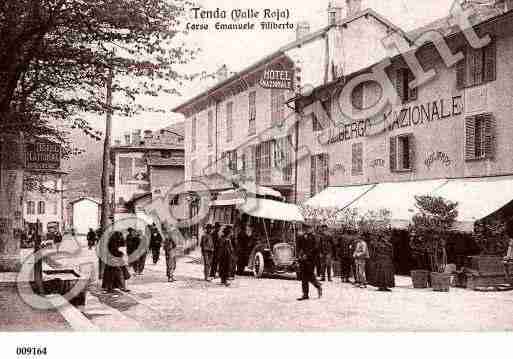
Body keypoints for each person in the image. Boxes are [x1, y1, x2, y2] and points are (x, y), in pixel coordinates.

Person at [296, 224, 322, 300]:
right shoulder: (302, 236)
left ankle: (318, 286)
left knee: (310, 275)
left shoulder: (315, 237)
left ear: (312, 228)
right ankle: (305, 294)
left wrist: (307, 255)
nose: (307, 229)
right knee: (304, 277)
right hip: (303, 259)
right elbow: (299, 247)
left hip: (311, 259)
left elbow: (316, 248)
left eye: (308, 228)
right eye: (305, 228)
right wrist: (299, 255)